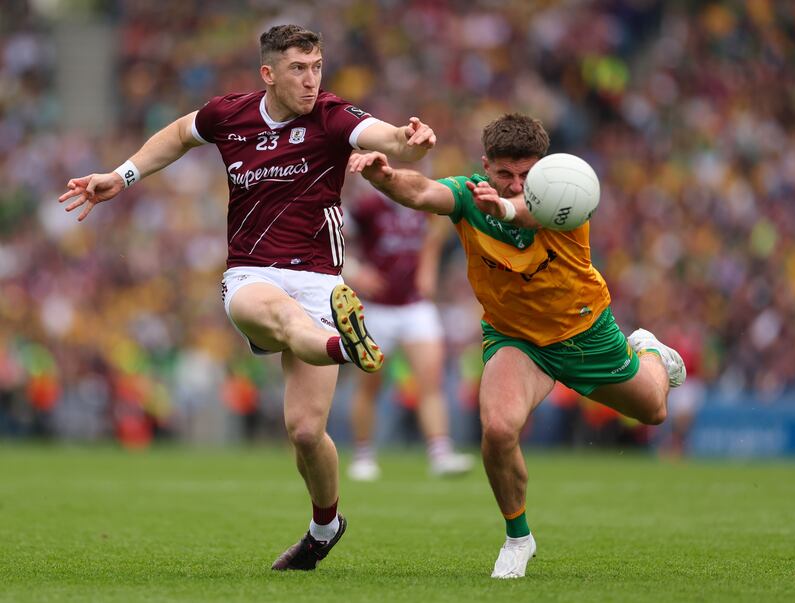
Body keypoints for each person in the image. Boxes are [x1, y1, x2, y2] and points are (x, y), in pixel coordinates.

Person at [58, 24, 436, 572]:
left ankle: (325, 527)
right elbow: (179, 134)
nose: (311, 81)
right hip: (252, 274)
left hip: (321, 282)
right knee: (272, 314)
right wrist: (124, 175)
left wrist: (412, 141)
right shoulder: (229, 114)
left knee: (306, 432)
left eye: (316, 68)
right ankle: (343, 346)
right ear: (269, 74)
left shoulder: (331, 115)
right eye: (298, 70)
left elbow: (391, 139)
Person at [347, 113, 686, 579]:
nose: (513, 184)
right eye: (504, 174)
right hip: (516, 338)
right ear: (486, 165)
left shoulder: (566, 191)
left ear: (542, 167)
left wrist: (502, 208)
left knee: (653, 410)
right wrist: (383, 177)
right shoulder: (471, 194)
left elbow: (529, 211)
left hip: (582, 333)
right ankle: (517, 537)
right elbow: (423, 191)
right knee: (499, 430)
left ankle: (648, 350)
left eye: (525, 174)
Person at [343, 191, 474, 480]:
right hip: (376, 308)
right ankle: (363, 455)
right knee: (369, 385)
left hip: (416, 305)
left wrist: (428, 264)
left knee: (431, 380)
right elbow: (332, 236)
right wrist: (354, 271)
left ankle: (440, 453)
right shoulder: (368, 204)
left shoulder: (422, 195)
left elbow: (435, 234)